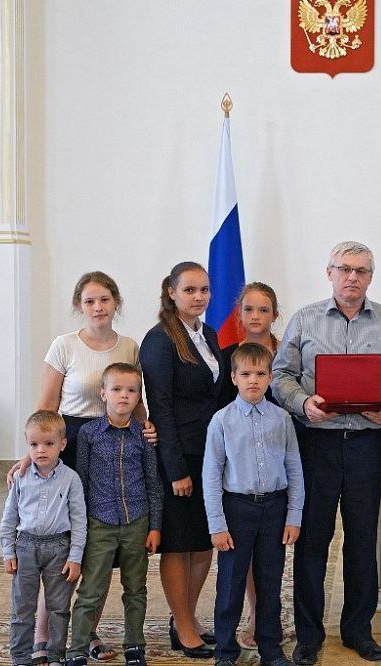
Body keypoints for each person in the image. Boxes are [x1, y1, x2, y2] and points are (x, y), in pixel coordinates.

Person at [272, 241, 381, 665]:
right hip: (316, 443)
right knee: (313, 540)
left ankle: (358, 630)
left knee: (362, 539)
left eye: (361, 270)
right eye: (344, 269)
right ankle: (308, 636)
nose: (352, 277)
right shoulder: (305, 319)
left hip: (367, 444)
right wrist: (303, 403)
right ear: (329, 272)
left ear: (371, 277)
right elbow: (281, 375)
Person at [10, 271, 156, 663]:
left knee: (99, 551)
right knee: (61, 545)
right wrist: (31, 454)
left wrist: (147, 429)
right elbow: (46, 406)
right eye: (90, 300)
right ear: (80, 305)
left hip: (115, 444)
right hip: (70, 443)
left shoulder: (129, 346)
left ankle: (87, 631)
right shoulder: (64, 345)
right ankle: (43, 634)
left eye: (105, 299)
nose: (98, 307)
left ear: (116, 303)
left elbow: (134, 399)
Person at [139, 261, 223, 659]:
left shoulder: (209, 334)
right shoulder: (159, 340)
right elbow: (161, 408)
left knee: (204, 542)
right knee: (179, 544)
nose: (198, 297)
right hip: (180, 457)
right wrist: (175, 470)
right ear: (171, 293)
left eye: (204, 289)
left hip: (211, 454)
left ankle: (186, 616)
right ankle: (183, 625)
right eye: (189, 290)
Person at [203, 342, 304, 666]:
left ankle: (271, 649)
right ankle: (225, 652)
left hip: (274, 508)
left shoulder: (282, 419)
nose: (253, 380)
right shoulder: (222, 420)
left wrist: (294, 516)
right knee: (230, 584)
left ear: (271, 377)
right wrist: (217, 524)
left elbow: (294, 468)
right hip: (237, 510)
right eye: (246, 374)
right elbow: (211, 476)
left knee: (270, 583)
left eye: (260, 374)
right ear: (233, 377)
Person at [65, 363, 163, 666]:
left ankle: (134, 646)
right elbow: (81, 483)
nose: (124, 396)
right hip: (100, 522)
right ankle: (77, 649)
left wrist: (155, 527)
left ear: (138, 397)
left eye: (131, 390)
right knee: (91, 589)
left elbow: (153, 483)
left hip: (137, 521)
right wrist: (81, 527)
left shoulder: (143, 435)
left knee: (136, 588)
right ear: (103, 393)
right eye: (117, 389)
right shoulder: (89, 434)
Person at [217, 282, 283, 649]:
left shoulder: (288, 353)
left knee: (270, 555)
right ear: (239, 315)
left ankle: (264, 618)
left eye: (263, 309)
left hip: (279, 460)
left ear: (275, 314)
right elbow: (220, 410)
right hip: (240, 469)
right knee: (240, 555)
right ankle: (249, 615)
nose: (255, 316)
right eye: (248, 309)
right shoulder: (228, 355)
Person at [0, 410, 86, 666]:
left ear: (62, 444)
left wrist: (75, 557)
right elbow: (9, 517)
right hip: (25, 547)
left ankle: (56, 654)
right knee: (22, 608)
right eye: (34, 444)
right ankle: (20, 657)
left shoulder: (71, 479)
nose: (41, 450)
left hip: (60, 547)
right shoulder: (21, 477)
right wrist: (8, 551)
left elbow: (79, 520)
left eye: (48, 443)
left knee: (58, 607)